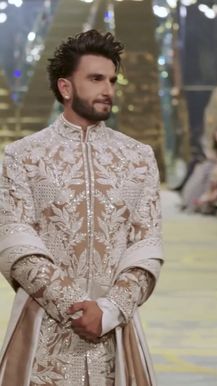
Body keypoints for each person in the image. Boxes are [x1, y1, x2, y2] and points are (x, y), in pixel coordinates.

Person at [0, 30, 164, 386]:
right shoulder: (23, 156)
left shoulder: (138, 157)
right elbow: (17, 241)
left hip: (115, 331)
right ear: (65, 88)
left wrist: (108, 310)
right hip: (44, 332)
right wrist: (77, 307)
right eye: (95, 79)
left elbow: (147, 245)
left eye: (111, 80)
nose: (108, 89)